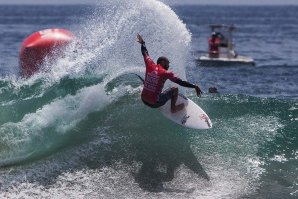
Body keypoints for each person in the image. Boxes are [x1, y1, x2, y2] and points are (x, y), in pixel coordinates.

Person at [137, 33, 202, 113]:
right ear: (162, 62)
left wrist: (143, 43)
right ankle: (173, 108)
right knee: (175, 89)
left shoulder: (150, 64)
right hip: (154, 103)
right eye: (168, 63)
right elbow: (180, 82)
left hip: (143, 99)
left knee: (148, 81)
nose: (168, 65)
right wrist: (194, 86)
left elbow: (145, 53)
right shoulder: (166, 73)